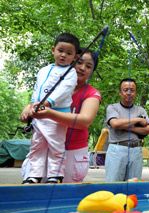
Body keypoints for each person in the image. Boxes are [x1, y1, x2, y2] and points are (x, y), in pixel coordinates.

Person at [22, 49, 102, 182]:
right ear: (71, 61)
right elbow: (34, 103)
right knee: (32, 193)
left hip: (72, 152)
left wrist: (50, 113)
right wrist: (28, 109)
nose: (82, 68)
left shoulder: (92, 93)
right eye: (79, 62)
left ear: (92, 72)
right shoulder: (51, 84)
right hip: (43, 149)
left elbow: (84, 121)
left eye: (88, 66)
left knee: (62, 197)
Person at [20, 33, 80, 184]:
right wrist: (31, 106)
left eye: (68, 53)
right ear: (53, 50)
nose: (63, 55)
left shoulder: (71, 72)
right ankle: (34, 174)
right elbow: (37, 90)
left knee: (56, 145)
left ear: (75, 57)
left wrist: (49, 102)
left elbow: (65, 89)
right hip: (39, 116)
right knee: (37, 145)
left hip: (56, 116)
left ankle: (55, 175)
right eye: (60, 50)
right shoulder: (43, 70)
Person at [105, 78, 149, 182]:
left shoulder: (140, 110)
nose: (129, 93)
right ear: (120, 92)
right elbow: (115, 124)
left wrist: (130, 127)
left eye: (132, 90)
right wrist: (138, 119)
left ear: (135, 93)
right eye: (125, 90)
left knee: (133, 186)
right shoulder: (112, 108)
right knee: (114, 185)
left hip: (136, 150)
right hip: (117, 149)